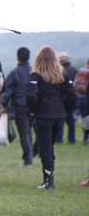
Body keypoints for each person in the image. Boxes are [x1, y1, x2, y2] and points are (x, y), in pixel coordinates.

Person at [27, 46, 77, 190]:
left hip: (43, 116)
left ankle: (49, 181)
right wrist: (64, 109)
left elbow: (30, 96)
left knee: (45, 147)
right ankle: (49, 178)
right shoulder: (63, 75)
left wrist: (32, 111)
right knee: (49, 146)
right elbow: (72, 95)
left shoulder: (36, 76)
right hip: (59, 116)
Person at [0, 47, 34, 167]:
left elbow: (8, 92)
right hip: (33, 106)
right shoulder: (33, 72)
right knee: (29, 132)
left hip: (20, 106)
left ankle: (28, 159)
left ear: (18, 58)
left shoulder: (14, 73)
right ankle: (30, 156)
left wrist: (3, 105)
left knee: (24, 133)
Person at [55, 52, 78, 144]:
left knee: (60, 121)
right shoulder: (74, 70)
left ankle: (59, 139)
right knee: (71, 121)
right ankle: (72, 139)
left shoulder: (59, 72)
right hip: (72, 99)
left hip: (61, 100)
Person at [74, 57, 89, 145]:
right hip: (87, 96)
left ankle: (85, 138)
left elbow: (75, 84)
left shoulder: (81, 71)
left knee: (85, 118)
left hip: (80, 97)